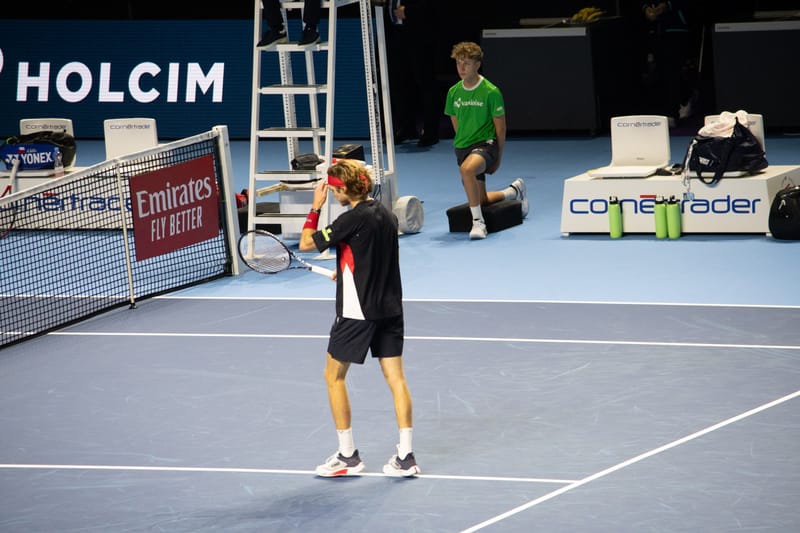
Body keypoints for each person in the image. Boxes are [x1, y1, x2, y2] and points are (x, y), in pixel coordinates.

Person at [298, 159, 420, 478]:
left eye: (333, 190)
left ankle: (347, 455)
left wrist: (315, 207)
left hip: (357, 311)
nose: (332, 194)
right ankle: (406, 457)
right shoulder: (385, 214)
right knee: (396, 379)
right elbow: (373, 255)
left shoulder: (349, 219)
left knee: (333, 377)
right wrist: (347, 272)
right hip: (391, 308)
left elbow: (307, 242)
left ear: (340, 190)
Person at [444, 41, 528, 240]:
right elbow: (457, 124)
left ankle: (478, 223)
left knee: (467, 170)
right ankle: (514, 190)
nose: (461, 68)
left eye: (466, 63)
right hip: (463, 148)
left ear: (477, 65)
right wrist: (461, 146)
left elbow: (501, 127)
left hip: (486, 145)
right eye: (458, 63)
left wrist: (497, 157)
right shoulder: (453, 92)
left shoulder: (491, 92)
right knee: (480, 199)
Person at [385, 0, 441, 147]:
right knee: (399, 83)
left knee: (426, 84)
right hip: (394, 34)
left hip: (419, 34)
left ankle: (430, 132)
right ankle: (406, 129)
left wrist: (409, 11)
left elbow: (431, 6)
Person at [639, 1, 697, 127]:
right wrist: (646, 8)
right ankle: (683, 98)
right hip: (654, 30)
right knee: (660, 71)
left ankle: (671, 112)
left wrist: (668, 5)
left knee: (671, 69)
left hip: (676, 29)